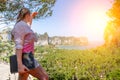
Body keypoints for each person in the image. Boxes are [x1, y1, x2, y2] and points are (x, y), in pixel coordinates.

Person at [12, 7, 49, 80]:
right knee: (44, 77)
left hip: (26, 57)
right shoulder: (20, 26)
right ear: (27, 15)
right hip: (25, 57)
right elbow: (18, 46)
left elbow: (29, 25)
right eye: (29, 15)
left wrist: (32, 16)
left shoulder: (24, 25)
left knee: (22, 79)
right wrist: (19, 65)